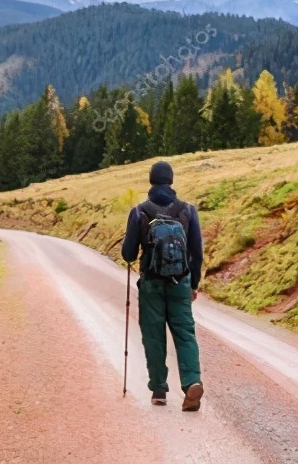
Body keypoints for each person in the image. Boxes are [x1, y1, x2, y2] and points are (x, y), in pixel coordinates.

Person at [121, 160, 204, 411]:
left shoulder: (140, 211)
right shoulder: (187, 211)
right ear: (171, 181)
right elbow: (196, 253)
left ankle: (159, 389)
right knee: (185, 333)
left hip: (152, 284)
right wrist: (194, 284)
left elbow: (128, 254)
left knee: (153, 335)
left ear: (151, 181)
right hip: (181, 283)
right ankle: (192, 382)